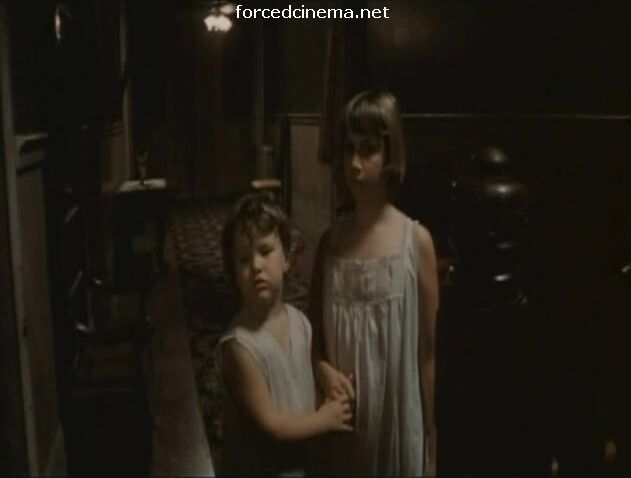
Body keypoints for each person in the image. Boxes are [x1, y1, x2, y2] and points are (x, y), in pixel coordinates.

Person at [309, 90, 439, 476]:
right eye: (349, 149)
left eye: (368, 150)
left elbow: (428, 355)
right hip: (345, 429)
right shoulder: (330, 245)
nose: (355, 164)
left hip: (396, 425)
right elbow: (313, 340)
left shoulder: (415, 243)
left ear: (389, 155)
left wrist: (432, 438)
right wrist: (323, 370)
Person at [215, 193, 353, 476]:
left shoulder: (300, 322)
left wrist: (327, 378)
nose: (256, 266)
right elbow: (272, 426)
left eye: (265, 252)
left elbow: (306, 372)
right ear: (233, 272)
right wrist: (324, 420)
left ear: (287, 258)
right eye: (244, 259)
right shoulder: (239, 347)